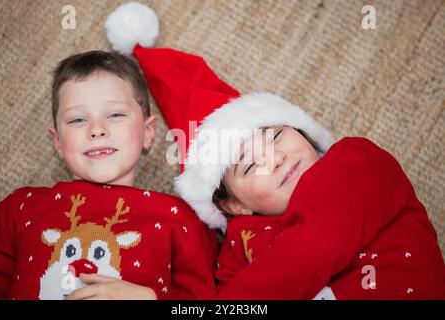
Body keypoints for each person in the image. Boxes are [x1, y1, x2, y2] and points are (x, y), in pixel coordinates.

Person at [132, 47, 445, 299]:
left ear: (303, 132)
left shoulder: (355, 161)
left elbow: (316, 249)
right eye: (251, 165)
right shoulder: (238, 249)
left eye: (276, 137)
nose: (276, 158)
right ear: (235, 206)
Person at [0, 50, 217, 300]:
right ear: (57, 142)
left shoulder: (179, 219)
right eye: (78, 119)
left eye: (115, 115)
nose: (97, 129)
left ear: (147, 133)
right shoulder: (19, 208)